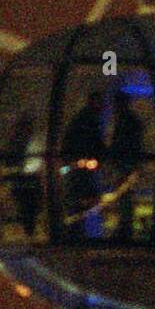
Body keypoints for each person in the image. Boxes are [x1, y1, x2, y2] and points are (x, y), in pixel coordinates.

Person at [60, 89, 106, 239]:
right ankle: (77, 232)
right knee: (83, 200)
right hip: (81, 169)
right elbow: (95, 144)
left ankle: (76, 231)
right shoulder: (88, 121)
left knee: (79, 201)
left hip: (78, 167)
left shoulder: (83, 119)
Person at [106, 89, 144, 243]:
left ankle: (125, 227)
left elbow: (121, 144)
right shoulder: (130, 121)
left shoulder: (125, 122)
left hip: (125, 164)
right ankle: (125, 226)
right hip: (127, 164)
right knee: (125, 196)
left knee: (124, 196)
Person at [3, 112, 41, 239]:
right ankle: (30, 232)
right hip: (26, 181)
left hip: (22, 182)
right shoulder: (21, 143)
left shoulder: (14, 142)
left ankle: (29, 232)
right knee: (28, 209)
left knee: (27, 209)